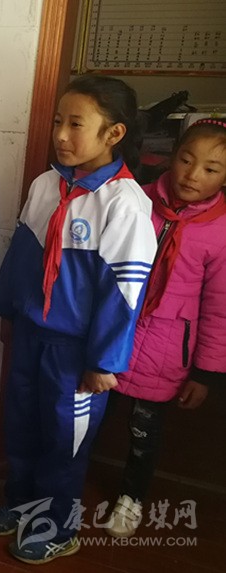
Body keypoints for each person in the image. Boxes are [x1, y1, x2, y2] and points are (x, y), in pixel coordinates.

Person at [0, 75, 158, 564]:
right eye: (58, 121)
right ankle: (22, 503)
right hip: (31, 336)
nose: (60, 134)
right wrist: (8, 311)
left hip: (76, 352)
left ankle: (59, 526)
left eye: (75, 124)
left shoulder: (124, 204)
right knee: (22, 424)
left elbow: (125, 293)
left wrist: (104, 361)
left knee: (66, 440)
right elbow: (21, 257)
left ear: (114, 133)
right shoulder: (46, 185)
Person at [104, 118, 226, 538]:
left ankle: (132, 496)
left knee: (144, 432)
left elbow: (219, 309)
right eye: (187, 160)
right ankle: (65, 481)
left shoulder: (221, 231)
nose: (193, 175)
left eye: (211, 168)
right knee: (90, 418)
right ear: (172, 157)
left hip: (167, 349)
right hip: (114, 335)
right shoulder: (136, 198)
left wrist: (205, 373)